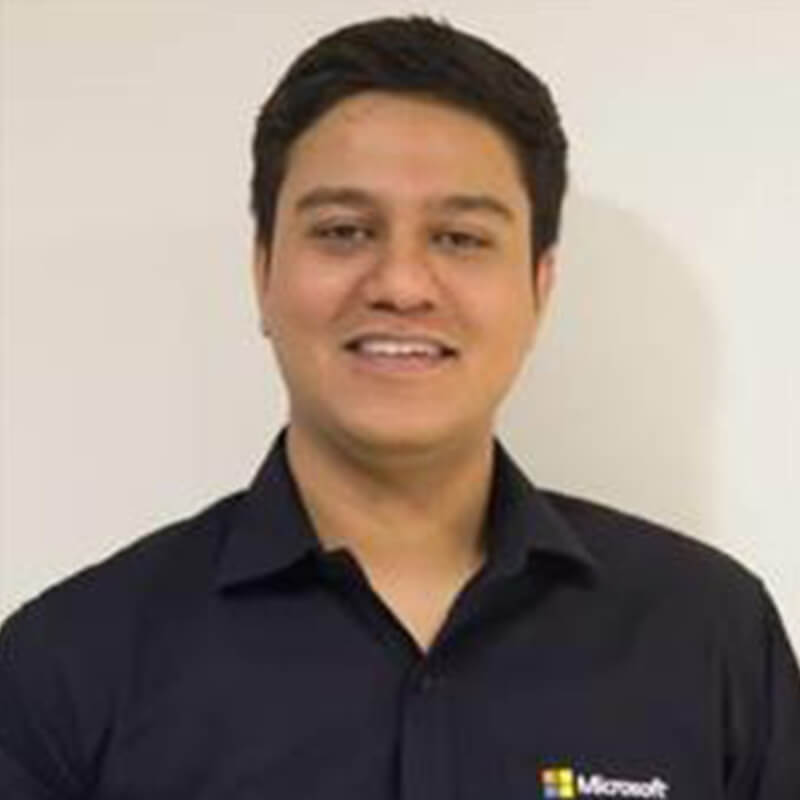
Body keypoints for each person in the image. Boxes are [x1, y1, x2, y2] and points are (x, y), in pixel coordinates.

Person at [1, 14, 798, 799]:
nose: (401, 284)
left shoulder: (713, 640)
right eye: (345, 230)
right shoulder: (67, 666)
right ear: (263, 273)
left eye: (460, 238)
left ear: (539, 288)